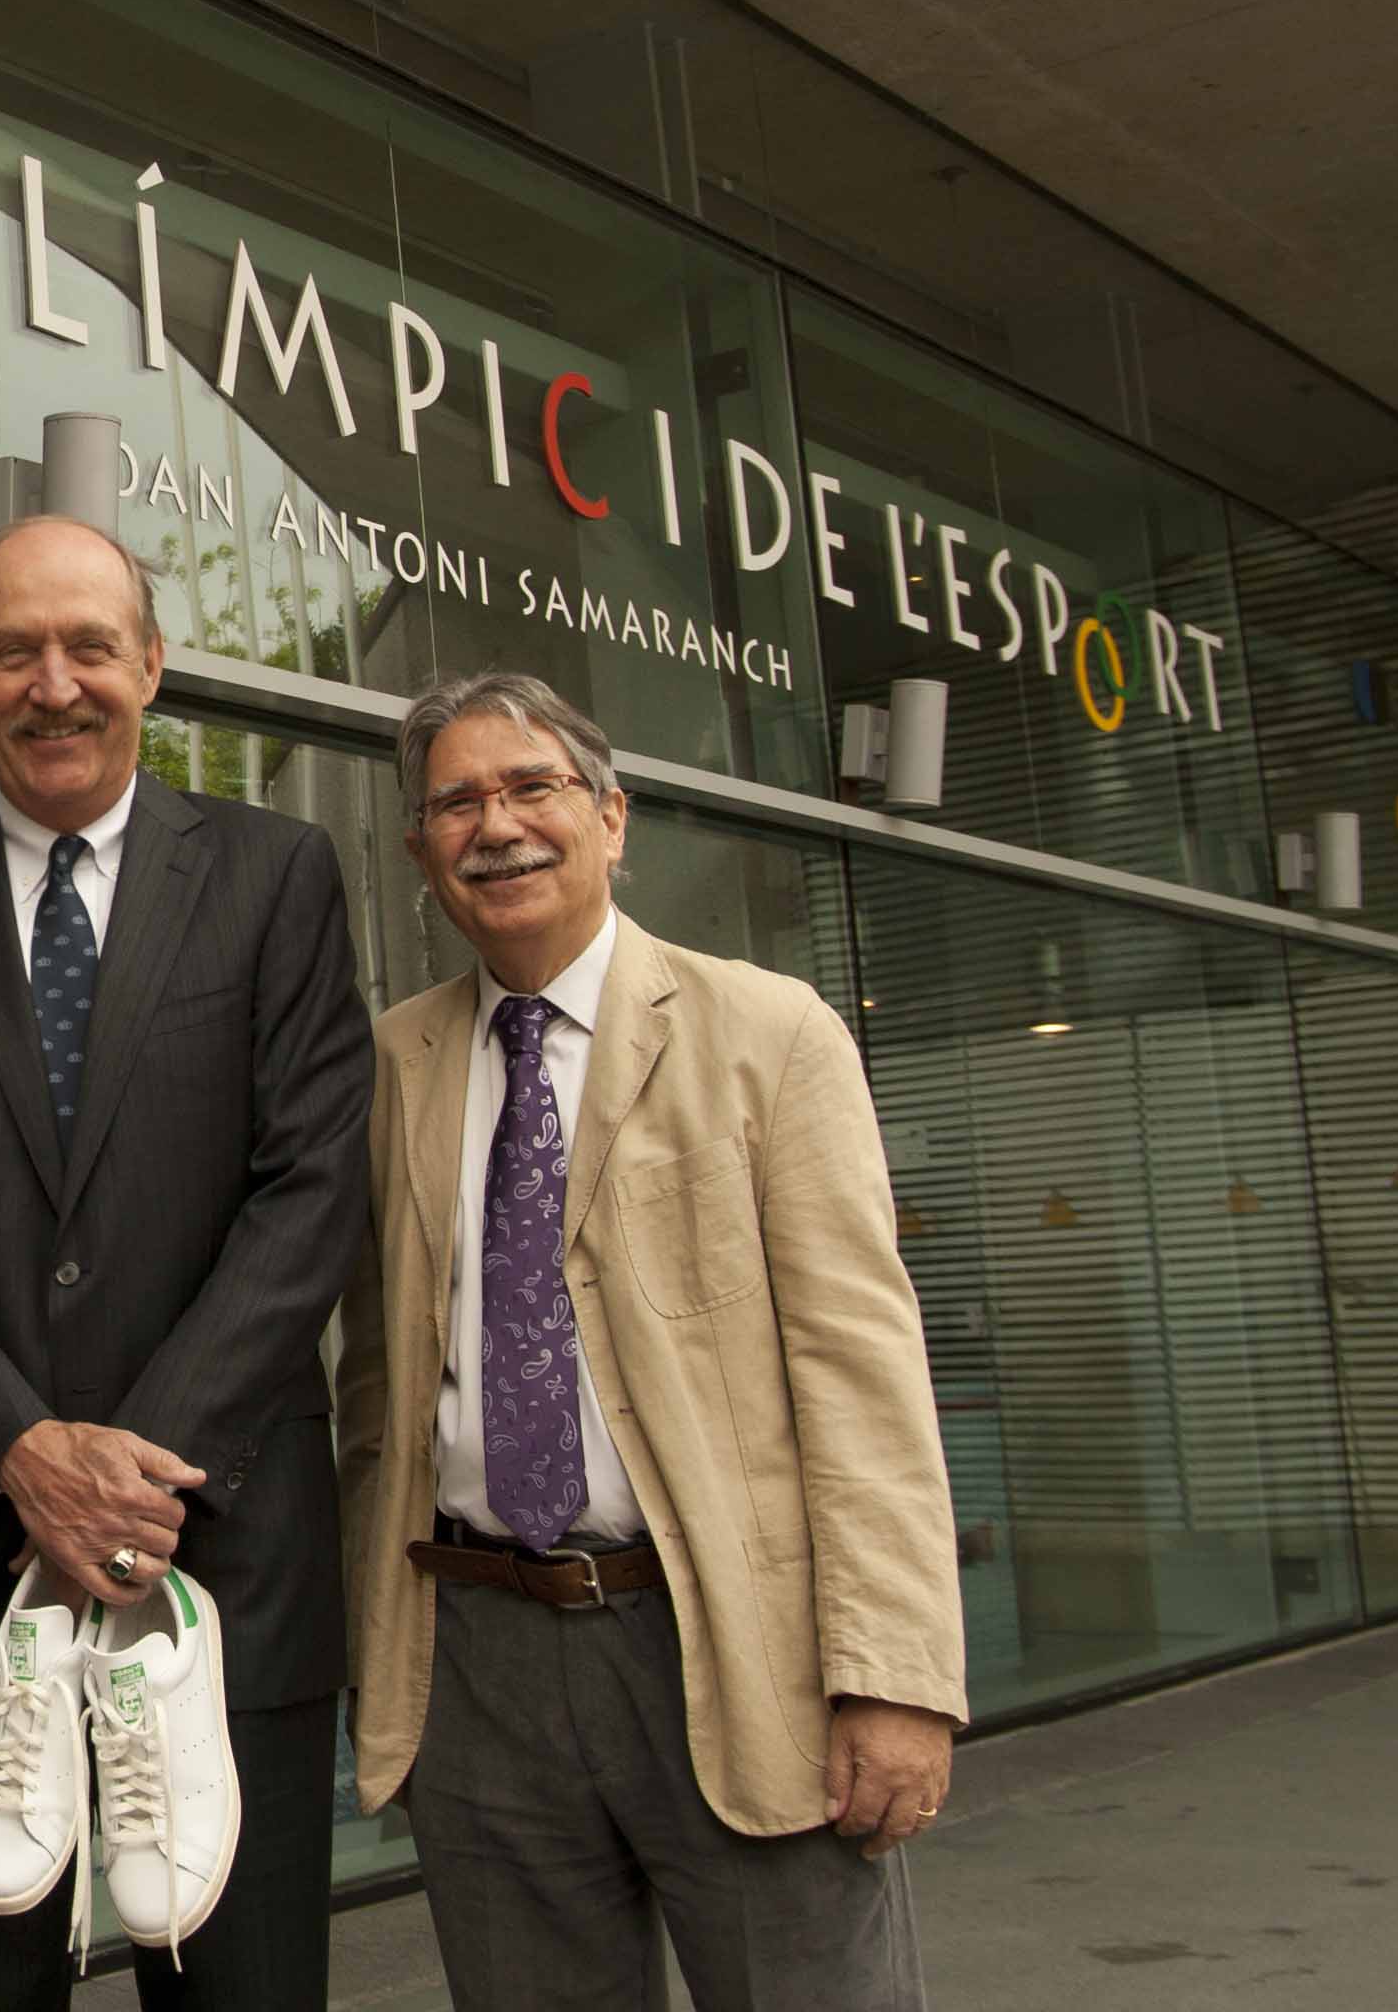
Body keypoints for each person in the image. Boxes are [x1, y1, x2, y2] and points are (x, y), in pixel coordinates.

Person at [335, 672, 964, 2012]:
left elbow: (863, 1377)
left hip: (731, 1644)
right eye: (456, 802)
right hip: (478, 1657)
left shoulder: (767, 1033)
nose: (495, 824)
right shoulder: (388, 1068)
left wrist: (896, 1678)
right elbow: (378, 1396)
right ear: (418, 854)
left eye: (531, 788)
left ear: (613, 819)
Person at [0, 516, 373, 2010]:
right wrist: (19, 1451)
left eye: (87, 647)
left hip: (225, 1562)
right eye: (14, 651)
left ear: (153, 666)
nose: (53, 685)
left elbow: (311, 1190)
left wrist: (129, 1472)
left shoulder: (277, 875)